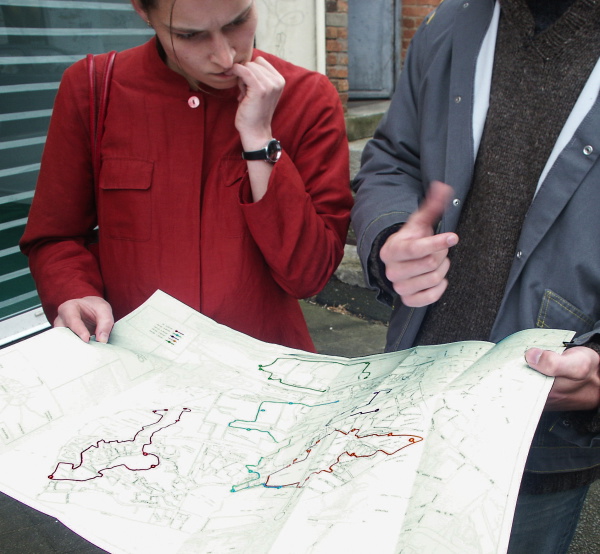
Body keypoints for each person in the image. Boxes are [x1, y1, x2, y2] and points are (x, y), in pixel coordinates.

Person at [351, 0, 600, 551]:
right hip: (413, 395)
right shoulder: (450, 22)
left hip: (541, 438)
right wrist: (390, 233)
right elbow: (393, 158)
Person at [20, 0, 352, 352]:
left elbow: (308, 274)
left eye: (238, 22)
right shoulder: (94, 89)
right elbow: (56, 236)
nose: (225, 56)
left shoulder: (307, 98)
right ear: (143, 11)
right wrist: (74, 292)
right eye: (189, 35)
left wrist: (259, 141)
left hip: (264, 364)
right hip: (133, 363)